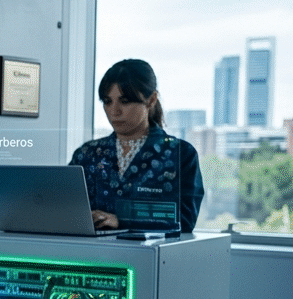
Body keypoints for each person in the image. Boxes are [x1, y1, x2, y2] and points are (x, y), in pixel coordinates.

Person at [69, 59, 205, 232]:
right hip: (88, 255)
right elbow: (62, 209)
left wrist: (122, 221)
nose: (114, 111)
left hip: (150, 257)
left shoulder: (180, 155)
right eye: (107, 101)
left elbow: (185, 220)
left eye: (125, 101)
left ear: (151, 100)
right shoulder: (87, 154)